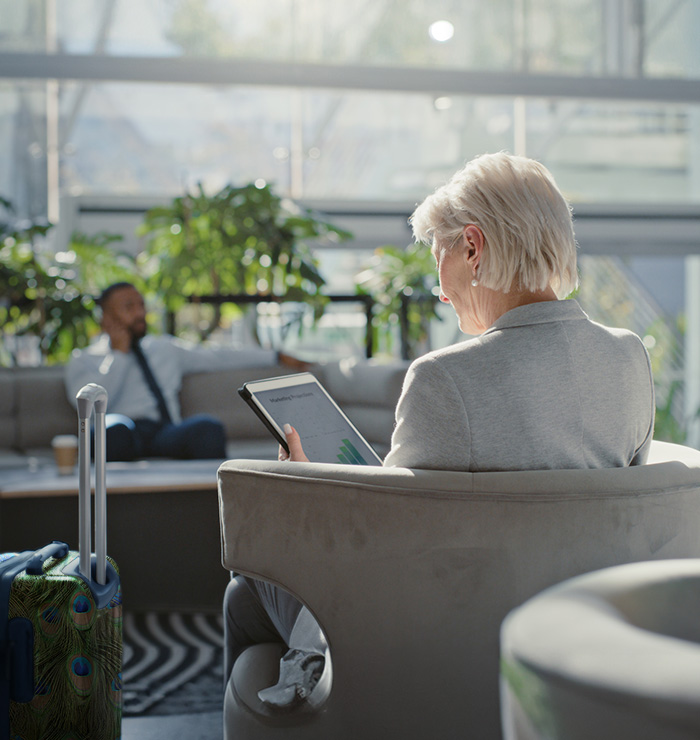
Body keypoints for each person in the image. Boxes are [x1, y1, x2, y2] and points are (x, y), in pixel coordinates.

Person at [224, 152, 655, 708]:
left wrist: (314, 490)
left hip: (443, 637)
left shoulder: (443, 378)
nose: (440, 289)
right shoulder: (630, 358)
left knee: (245, 588)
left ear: (472, 248)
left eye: (438, 258)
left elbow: (378, 546)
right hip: (578, 635)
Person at [65, 282, 306, 461]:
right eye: (129, 307)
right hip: (124, 433)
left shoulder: (163, 348)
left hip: (165, 432)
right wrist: (118, 354)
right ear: (106, 319)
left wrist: (275, 355)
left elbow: (218, 356)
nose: (139, 313)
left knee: (207, 428)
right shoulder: (84, 360)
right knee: (112, 432)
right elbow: (87, 408)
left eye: (141, 305)